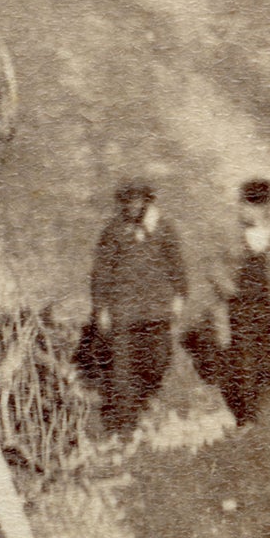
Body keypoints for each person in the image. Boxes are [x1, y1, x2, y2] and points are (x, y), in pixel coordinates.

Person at [89, 181, 188, 438]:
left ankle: (143, 399)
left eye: (138, 201)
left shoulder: (163, 229)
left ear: (147, 202)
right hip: (123, 312)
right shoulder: (113, 232)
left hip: (156, 311)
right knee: (123, 369)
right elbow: (101, 273)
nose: (133, 206)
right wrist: (101, 308)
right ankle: (124, 426)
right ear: (122, 204)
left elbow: (177, 266)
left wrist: (179, 296)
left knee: (157, 362)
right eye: (128, 201)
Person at [187, 180, 270, 427]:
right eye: (241, 205)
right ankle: (245, 414)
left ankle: (259, 401)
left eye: (249, 206)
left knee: (263, 356)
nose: (242, 210)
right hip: (236, 305)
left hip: (264, 306)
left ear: (264, 208)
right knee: (242, 357)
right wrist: (226, 286)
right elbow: (212, 264)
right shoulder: (230, 232)